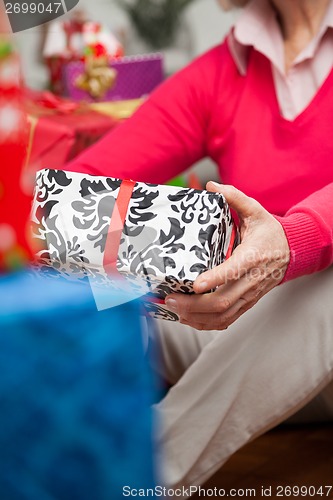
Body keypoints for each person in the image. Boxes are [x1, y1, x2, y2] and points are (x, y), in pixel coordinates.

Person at [66, 0, 333, 490]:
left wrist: (294, 239)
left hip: (322, 336)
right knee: (76, 286)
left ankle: (141, 474)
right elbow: (79, 189)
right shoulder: (221, 72)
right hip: (234, 341)